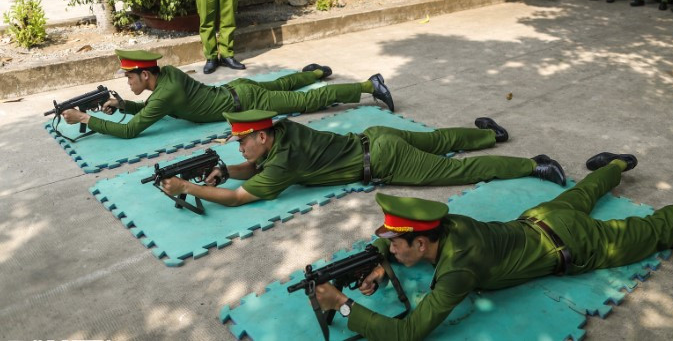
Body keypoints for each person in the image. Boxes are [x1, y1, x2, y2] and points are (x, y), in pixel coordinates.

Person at [313, 154, 673, 340]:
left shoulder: (457, 273)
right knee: (585, 192)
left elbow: (407, 333)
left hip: (576, 244)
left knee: (656, 229)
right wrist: (380, 264)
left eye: (397, 247)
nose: (392, 252)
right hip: (541, 219)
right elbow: (403, 245)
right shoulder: (446, 221)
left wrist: (345, 306)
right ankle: (614, 163)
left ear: (421, 241)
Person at [159, 109, 568, 206]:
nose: (240, 147)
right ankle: (488, 133)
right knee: (438, 138)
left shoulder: (283, 162)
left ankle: (535, 164)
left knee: (458, 169)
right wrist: (223, 170)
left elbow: (236, 198)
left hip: (387, 162)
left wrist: (185, 187)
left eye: (244, 141)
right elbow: (253, 168)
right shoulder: (283, 132)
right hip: (375, 137)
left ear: (263, 136)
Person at [61, 50, 395, 139]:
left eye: (129, 79)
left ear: (145, 74)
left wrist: (86, 118)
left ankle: (369, 85)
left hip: (247, 102)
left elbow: (133, 131)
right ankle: (316, 72)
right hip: (238, 89)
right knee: (284, 83)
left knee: (307, 102)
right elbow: (150, 109)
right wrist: (124, 104)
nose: (128, 82)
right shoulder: (169, 76)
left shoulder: (163, 95)